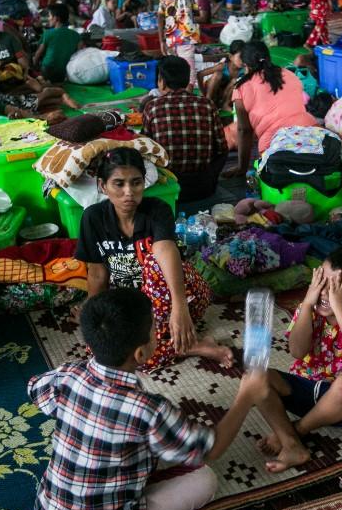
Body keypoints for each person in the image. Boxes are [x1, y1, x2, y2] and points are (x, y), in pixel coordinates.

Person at [30, 288, 271, 510]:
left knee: (146, 443)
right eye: (156, 328)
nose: (161, 330)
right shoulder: (149, 409)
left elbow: (34, 388)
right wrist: (245, 397)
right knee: (206, 480)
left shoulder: (67, 374)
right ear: (141, 352)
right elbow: (211, 448)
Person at [75, 148, 233, 369]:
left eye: (136, 182)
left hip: (180, 296)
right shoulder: (93, 218)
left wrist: (179, 308)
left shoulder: (157, 210)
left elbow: (166, 251)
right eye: (119, 184)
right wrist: (95, 320)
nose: (129, 192)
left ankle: (176, 337)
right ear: (103, 186)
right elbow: (97, 274)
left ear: (144, 183)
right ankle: (191, 346)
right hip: (135, 306)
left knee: (153, 262)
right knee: (107, 353)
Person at [253, 246, 342, 472]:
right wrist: (308, 304)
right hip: (305, 390)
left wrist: (339, 307)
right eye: (322, 283)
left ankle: (297, 430)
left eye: (336, 290)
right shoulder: (307, 310)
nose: (324, 294)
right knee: (256, 376)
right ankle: (292, 445)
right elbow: (297, 351)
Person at [225, 41, 317, 177]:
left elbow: (244, 131)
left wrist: (241, 168)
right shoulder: (291, 75)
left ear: (245, 65)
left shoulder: (241, 88)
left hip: (275, 150)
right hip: (312, 137)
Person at [141, 56, 227, 202]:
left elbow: (145, 149)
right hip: (204, 188)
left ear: (161, 81)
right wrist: (209, 176)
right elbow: (222, 150)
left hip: (168, 188)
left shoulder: (152, 107)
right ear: (187, 80)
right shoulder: (207, 104)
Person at [157, 0, 200, 88]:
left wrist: (161, 41)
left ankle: (174, 98)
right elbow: (196, 13)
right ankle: (187, 100)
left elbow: (160, 19)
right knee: (189, 73)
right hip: (187, 37)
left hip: (171, 39)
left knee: (173, 72)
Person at [33, 3, 79, 84]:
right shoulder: (76, 35)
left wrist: (34, 66)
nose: (48, 18)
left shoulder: (47, 33)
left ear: (56, 18)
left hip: (47, 71)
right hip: (65, 72)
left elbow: (38, 55)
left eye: (49, 16)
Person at [198, 38, 244, 109]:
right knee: (217, 74)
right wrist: (202, 92)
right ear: (230, 57)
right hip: (212, 91)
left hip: (223, 95)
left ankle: (225, 104)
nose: (243, 60)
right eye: (240, 57)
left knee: (236, 81)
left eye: (244, 57)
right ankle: (208, 100)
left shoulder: (244, 70)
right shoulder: (222, 66)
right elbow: (200, 74)